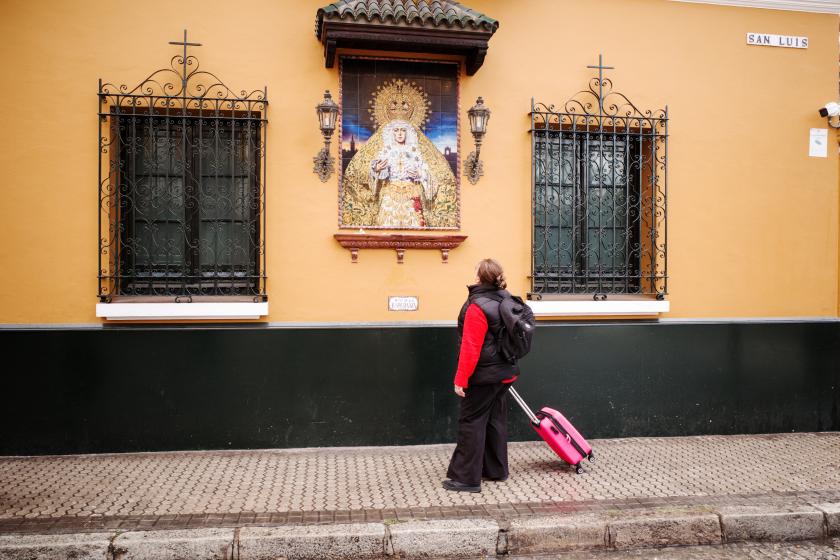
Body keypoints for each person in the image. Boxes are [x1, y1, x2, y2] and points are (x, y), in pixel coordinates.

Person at [443, 258, 519, 493]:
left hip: (484, 376)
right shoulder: (506, 298)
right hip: (506, 373)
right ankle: (496, 470)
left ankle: (466, 479)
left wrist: (460, 379)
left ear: (479, 277)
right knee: (495, 419)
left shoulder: (477, 305)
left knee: (472, 422)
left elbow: (471, 346)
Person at [368, 119, 437, 228]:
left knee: (414, 223)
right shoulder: (386, 151)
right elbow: (375, 169)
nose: (400, 133)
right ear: (392, 133)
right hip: (391, 192)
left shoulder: (414, 151)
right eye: (396, 130)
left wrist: (419, 174)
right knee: (387, 223)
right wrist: (377, 168)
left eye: (403, 130)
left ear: (407, 133)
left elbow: (426, 172)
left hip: (411, 192)